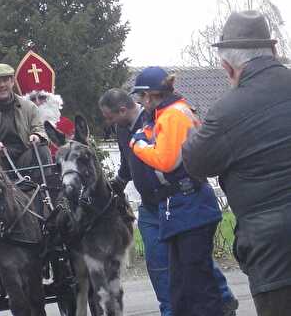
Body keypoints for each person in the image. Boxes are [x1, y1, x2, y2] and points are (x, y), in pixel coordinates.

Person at [182, 10, 291, 316]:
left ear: (228, 67)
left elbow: (195, 162)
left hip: (274, 256)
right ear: (274, 50)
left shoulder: (227, 112)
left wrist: (195, 130)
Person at [99, 88, 239, 316]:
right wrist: (116, 184)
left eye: (109, 116)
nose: (108, 121)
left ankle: (223, 300)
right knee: (159, 267)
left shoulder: (156, 120)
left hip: (174, 203)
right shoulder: (122, 130)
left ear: (122, 109)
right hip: (149, 209)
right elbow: (127, 165)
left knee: (193, 259)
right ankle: (170, 311)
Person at [127, 67, 225, 316]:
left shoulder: (172, 115)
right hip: (183, 207)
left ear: (149, 95)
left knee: (197, 285)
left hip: (189, 206)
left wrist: (137, 145)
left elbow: (166, 161)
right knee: (181, 286)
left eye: (141, 97)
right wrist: (145, 134)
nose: (140, 103)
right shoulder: (170, 113)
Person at [14, 50, 74, 157]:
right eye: (32, 99)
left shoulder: (67, 125)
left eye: (42, 97)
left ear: (51, 99)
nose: (37, 103)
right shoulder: (19, 129)